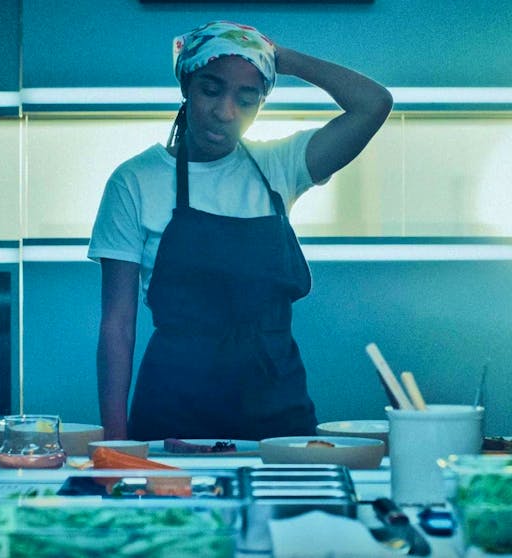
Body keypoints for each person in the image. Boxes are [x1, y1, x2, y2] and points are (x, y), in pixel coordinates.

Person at [89, 21, 392, 441]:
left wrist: (280, 58)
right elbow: (117, 326)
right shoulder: (135, 180)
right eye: (211, 90)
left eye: (246, 99)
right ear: (187, 86)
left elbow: (373, 104)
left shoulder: (280, 165)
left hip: (277, 410)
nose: (225, 111)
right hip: (173, 411)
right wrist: (115, 441)